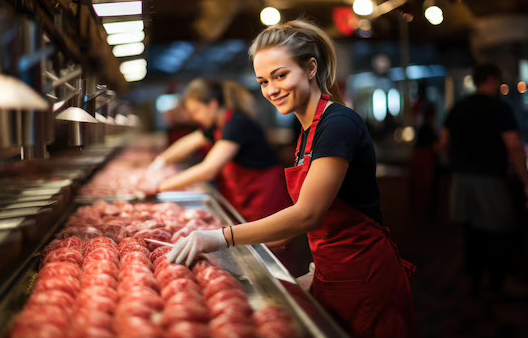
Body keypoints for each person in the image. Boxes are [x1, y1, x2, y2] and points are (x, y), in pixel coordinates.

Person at [166, 20, 415, 338]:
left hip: (363, 275)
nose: (271, 90)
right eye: (263, 81)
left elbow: (308, 214)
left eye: (280, 75)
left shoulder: (337, 124)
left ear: (311, 68)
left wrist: (220, 238)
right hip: (333, 270)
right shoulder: (308, 129)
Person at [437, 63, 528, 297]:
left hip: (461, 179)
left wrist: (455, 162)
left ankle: (473, 282)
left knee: (471, 233)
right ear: (491, 79)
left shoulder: (458, 107)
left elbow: (442, 144)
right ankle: (496, 285)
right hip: (490, 178)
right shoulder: (500, 108)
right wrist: (527, 182)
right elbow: (514, 146)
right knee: (497, 232)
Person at [145, 78, 292, 224]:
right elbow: (189, 143)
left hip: (264, 193)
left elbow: (208, 169)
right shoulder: (217, 124)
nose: (195, 117)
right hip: (245, 192)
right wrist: (161, 161)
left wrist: (159, 187)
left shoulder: (236, 123)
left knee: (272, 243)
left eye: (196, 111)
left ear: (212, 105)